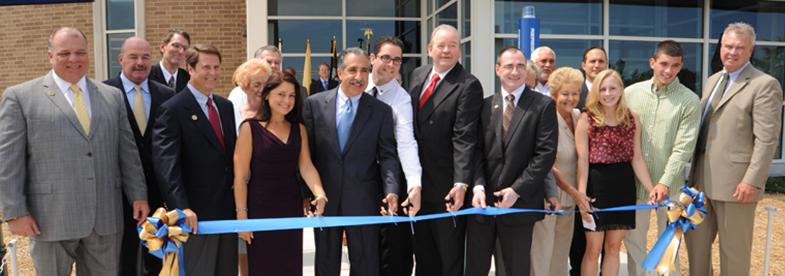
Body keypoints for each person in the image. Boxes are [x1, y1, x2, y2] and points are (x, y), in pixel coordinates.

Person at [0, 27, 148, 275]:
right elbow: (8, 160)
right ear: (50, 56)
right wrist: (15, 211)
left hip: (104, 217)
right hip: (49, 218)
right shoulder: (20, 97)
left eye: (80, 52)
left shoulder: (112, 97)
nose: (74, 59)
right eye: (64, 53)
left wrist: (138, 195)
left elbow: (127, 152)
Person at [686, 22, 783, 276]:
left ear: (751, 50)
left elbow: (766, 139)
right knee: (696, 250)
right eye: (727, 46)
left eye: (739, 48)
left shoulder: (764, 85)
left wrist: (752, 180)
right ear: (720, 47)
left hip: (736, 185)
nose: (732, 52)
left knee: (734, 255)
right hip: (700, 182)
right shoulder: (712, 80)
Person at [302, 47, 400, 276]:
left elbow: (387, 156)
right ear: (339, 72)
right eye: (352, 70)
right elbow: (307, 155)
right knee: (326, 263)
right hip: (325, 199)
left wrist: (392, 190)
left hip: (364, 200)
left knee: (366, 264)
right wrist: (306, 193)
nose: (359, 77)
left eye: (365, 71)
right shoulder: (314, 104)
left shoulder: (381, 111)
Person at [467, 46, 557, 275]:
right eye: (509, 66)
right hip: (482, 207)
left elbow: (544, 154)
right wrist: (477, 186)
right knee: (476, 268)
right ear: (498, 69)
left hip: (519, 206)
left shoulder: (542, 105)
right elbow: (476, 151)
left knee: (514, 270)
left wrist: (516, 190)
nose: (515, 71)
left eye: (520, 66)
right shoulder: (485, 106)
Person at [152, 44, 238, 275]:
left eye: (217, 67)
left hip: (226, 212)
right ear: (190, 69)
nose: (213, 73)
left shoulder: (225, 106)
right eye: (206, 67)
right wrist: (182, 207)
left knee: (226, 271)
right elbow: (166, 165)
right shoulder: (173, 109)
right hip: (195, 216)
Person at [407, 24, 483, 276]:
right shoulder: (417, 75)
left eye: (453, 45)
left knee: (449, 260)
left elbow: (465, 138)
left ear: (460, 51)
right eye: (441, 45)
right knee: (424, 256)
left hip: (446, 189)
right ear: (430, 49)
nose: (446, 50)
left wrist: (460, 184)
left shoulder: (468, 85)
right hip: (417, 185)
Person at [234, 73, 328, 276]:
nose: (287, 101)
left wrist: (319, 193)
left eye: (292, 96)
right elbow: (240, 177)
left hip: (290, 208)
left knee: (290, 267)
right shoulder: (249, 128)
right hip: (259, 209)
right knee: (262, 268)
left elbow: (306, 166)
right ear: (267, 95)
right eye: (281, 94)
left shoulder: (299, 128)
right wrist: (242, 217)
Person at [623, 40, 700, 276]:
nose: (668, 71)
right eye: (664, 64)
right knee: (633, 245)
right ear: (652, 62)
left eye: (675, 66)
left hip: (671, 188)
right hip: (636, 187)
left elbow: (683, 148)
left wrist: (664, 183)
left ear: (681, 66)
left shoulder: (689, 101)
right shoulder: (630, 94)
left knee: (668, 248)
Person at [104, 36, 176, 276]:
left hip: (157, 191)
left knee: (155, 257)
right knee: (122, 256)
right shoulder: (103, 93)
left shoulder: (166, 95)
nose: (140, 62)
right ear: (121, 59)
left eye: (145, 57)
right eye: (133, 57)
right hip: (117, 191)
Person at [575, 69, 656, 276]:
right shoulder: (587, 118)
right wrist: (581, 195)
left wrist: (651, 189)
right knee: (593, 250)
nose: (608, 93)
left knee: (613, 248)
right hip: (596, 188)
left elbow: (637, 158)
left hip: (623, 188)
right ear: (596, 92)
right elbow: (582, 160)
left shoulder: (632, 118)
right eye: (602, 89)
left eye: (612, 88)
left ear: (621, 89)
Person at [367, 36, 422, 276]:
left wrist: (414, 186)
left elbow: (407, 143)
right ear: (373, 58)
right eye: (385, 58)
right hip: (356, 182)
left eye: (397, 60)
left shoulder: (401, 98)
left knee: (394, 255)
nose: (390, 65)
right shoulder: (355, 87)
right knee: (363, 254)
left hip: (389, 181)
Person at [530, 67, 590, 276]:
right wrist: (575, 193)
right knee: (542, 251)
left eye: (575, 93)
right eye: (565, 94)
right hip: (550, 195)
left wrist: (576, 195)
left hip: (571, 199)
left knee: (561, 252)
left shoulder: (578, 116)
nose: (571, 98)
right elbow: (548, 163)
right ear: (554, 94)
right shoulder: (546, 116)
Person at [570, 46, 609, 276]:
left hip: (603, 180)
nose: (596, 65)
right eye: (592, 61)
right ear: (583, 65)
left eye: (601, 61)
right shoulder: (573, 94)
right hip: (576, 177)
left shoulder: (612, 95)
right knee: (579, 242)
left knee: (602, 242)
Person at [230, 59, 272, 130]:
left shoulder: (274, 113)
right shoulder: (233, 113)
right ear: (245, 87)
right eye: (257, 85)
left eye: (266, 84)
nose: (262, 89)